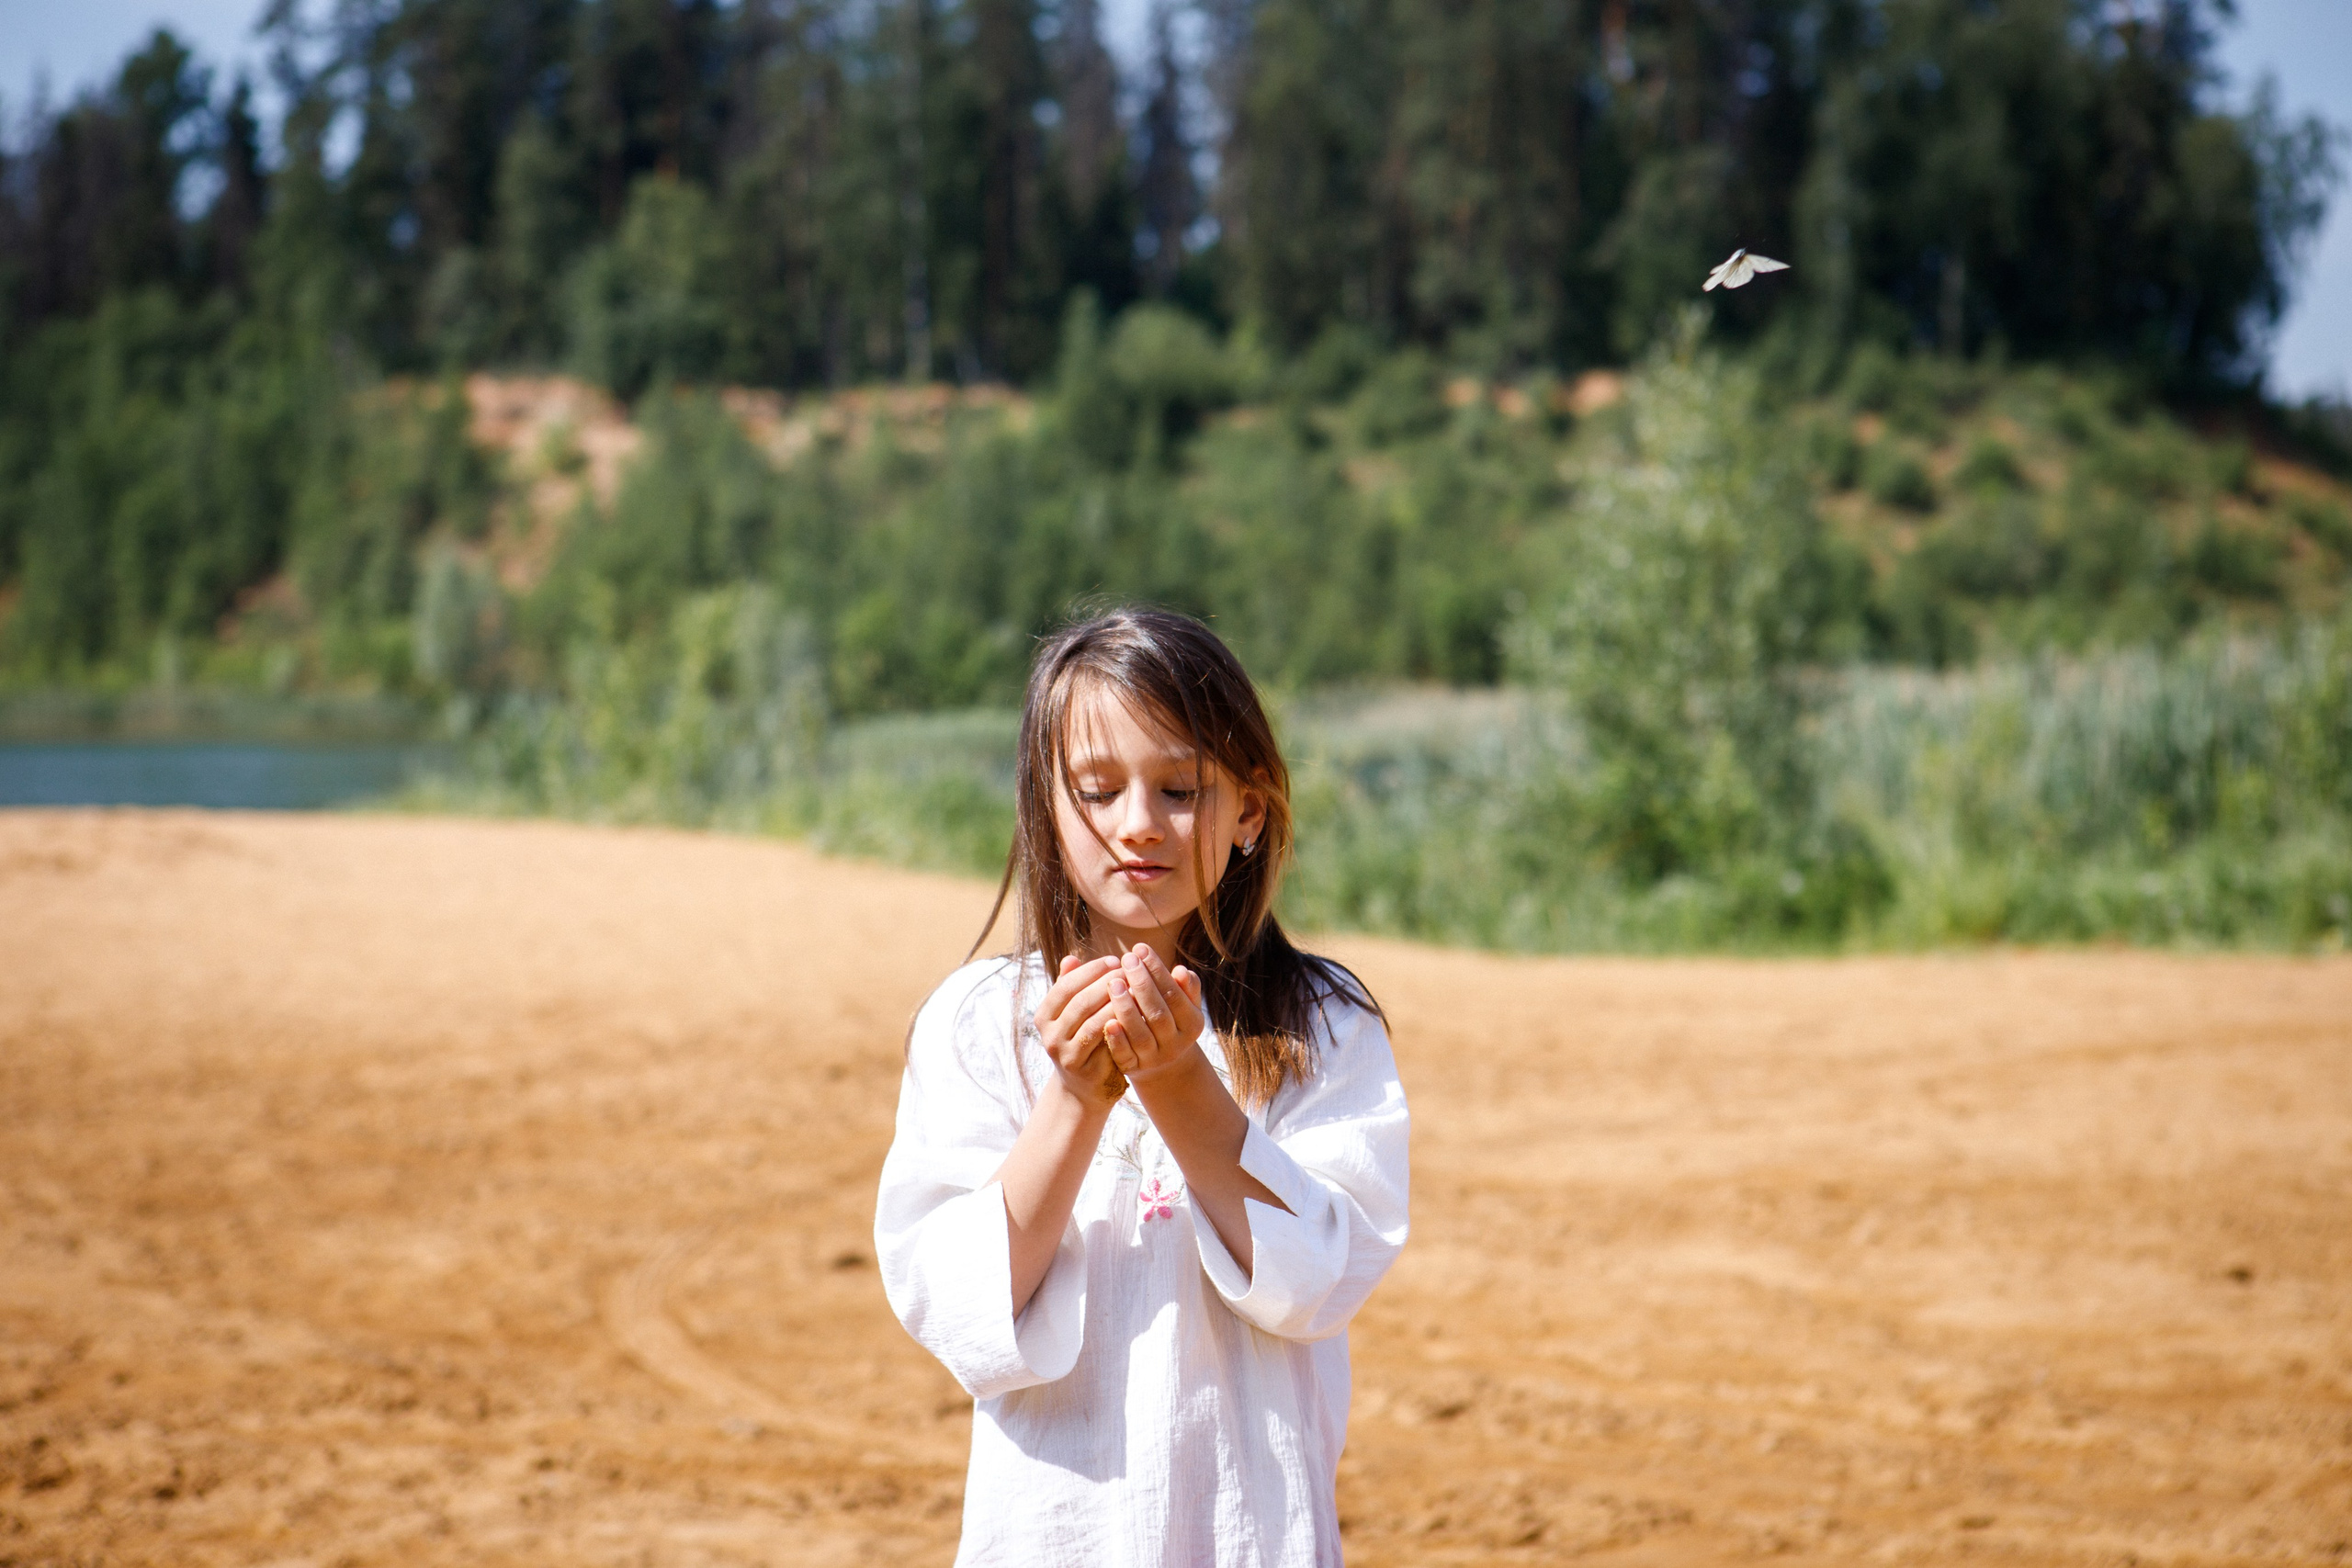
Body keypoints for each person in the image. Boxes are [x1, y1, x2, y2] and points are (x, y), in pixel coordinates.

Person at [875, 606, 1411, 1566]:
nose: (1138, 826)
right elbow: (957, 1311)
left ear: (1248, 808)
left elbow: (1318, 1285)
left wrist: (1177, 1083)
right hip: (1049, 1536)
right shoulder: (978, 1023)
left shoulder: (1318, 1024)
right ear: (1046, 801)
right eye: (1097, 788)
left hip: (1255, 1537)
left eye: (1180, 788)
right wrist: (1076, 1100)